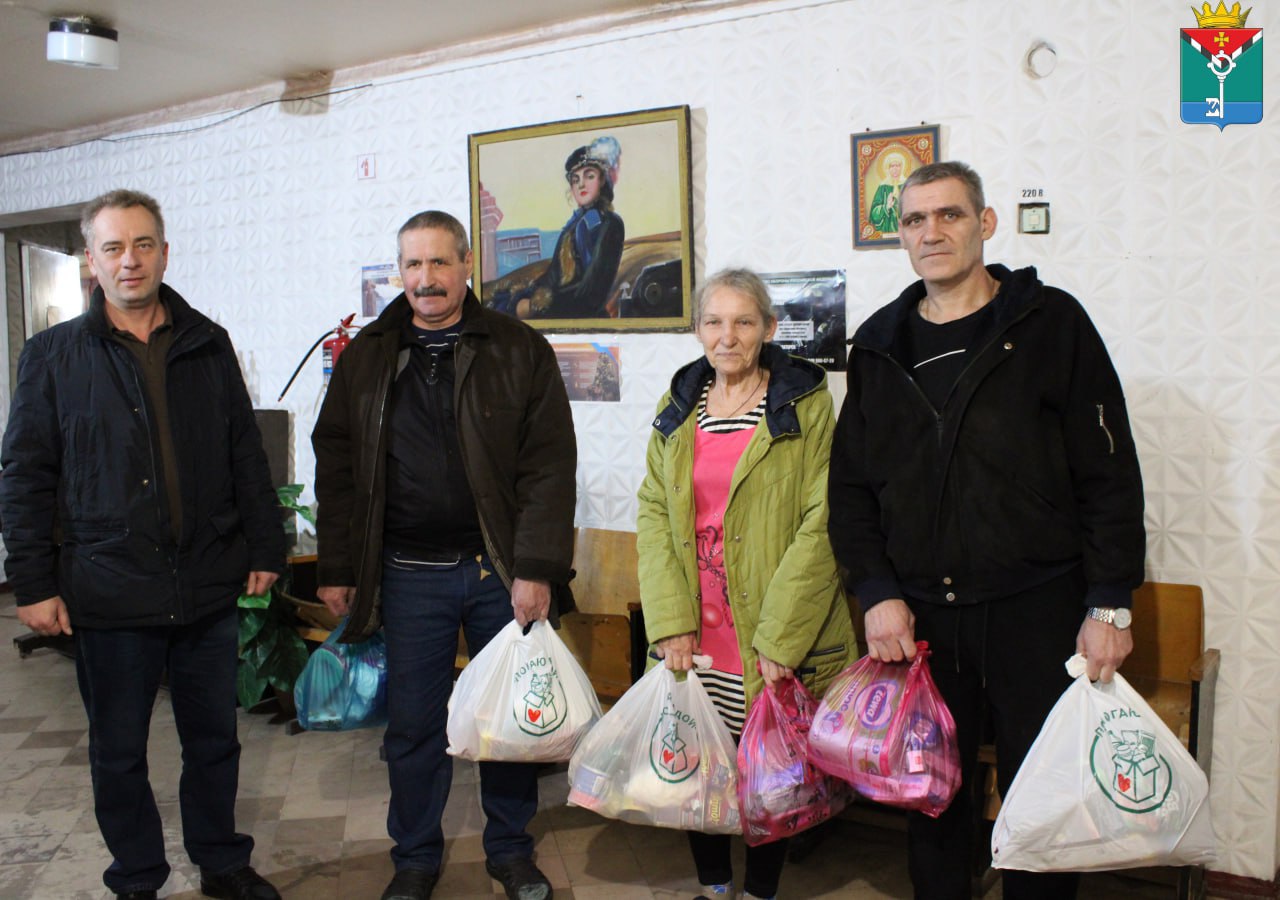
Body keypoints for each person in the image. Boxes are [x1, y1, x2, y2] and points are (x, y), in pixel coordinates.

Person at [828, 161, 1146, 900]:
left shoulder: (1050, 324)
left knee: (1043, 800)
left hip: (1037, 608)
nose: (931, 232)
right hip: (921, 616)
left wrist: (1109, 603)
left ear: (985, 223)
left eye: (949, 214)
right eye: (914, 220)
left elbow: (1108, 474)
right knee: (932, 802)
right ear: (901, 236)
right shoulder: (878, 347)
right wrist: (876, 593)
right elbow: (851, 492)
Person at [0, 190, 285, 900]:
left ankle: (221, 862)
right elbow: (25, 475)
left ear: (164, 252)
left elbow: (244, 452)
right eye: (113, 247)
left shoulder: (207, 342)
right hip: (108, 587)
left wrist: (266, 545)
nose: (130, 260)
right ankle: (136, 876)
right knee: (120, 750)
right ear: (91, 261)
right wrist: (32, 582)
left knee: (214, 741)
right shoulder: (52, 356)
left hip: (205, 582)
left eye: (143, 244)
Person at [312, 210, 577, 900]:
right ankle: (415, 858)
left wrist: (536, 568)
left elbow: (549, 467)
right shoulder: (369, 355)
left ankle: (511, 851)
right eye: (412, 264)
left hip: (499, 572)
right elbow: (336, 468)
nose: (425, 279)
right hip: (407, 576)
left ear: (465, 266)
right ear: (398, 272)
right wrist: (337, 567)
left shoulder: (518, 349)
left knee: (510, 722)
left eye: (439, 262)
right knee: (413, 728)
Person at [637, 268, 855, 900]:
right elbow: (654, 510)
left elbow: (823, 521)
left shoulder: (803, 404)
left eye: (743, 322)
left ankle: (760, 891)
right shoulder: (679, 404)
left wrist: (781, 637)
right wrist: (669, 621)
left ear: (768, 328)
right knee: (696, 764)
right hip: (695, 629)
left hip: (768, 626)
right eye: (713, 321)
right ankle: (713, 887)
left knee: (771, 771)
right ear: (698, 328)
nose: (726, 336)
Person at [514, 136, 625, 319]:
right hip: (560, 313)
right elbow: (553, 275)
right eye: (575, 179)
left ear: (602, 180)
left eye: (589, 176)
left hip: (588, 320)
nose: (581, 184)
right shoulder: (572, 228)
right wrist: (528, 295)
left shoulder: (610, 224)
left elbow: (592, 293)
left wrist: (540, 306)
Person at [867, 150, 908, 236]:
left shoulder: (907, 184)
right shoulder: (883, 187)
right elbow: (874, 212)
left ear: (902, 167)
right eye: (892, 166)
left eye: (898, 165)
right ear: (887, 169)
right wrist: (886, 206)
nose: (895, 169)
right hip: (887, 229)